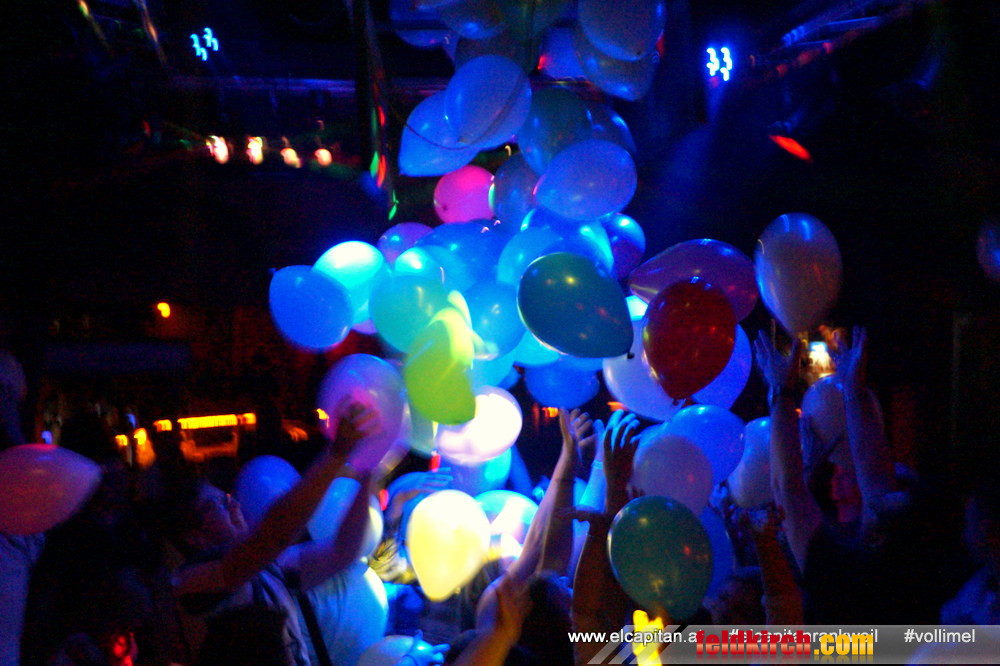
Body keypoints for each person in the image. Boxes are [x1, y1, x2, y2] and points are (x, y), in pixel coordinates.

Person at [165, 403, 377, 665]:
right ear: (193, 536)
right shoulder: (189, 582)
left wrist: (367, 471)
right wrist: (336, 453)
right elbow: (271, 537)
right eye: (218, 504)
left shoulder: (271, 567)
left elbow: (345, 550)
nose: (234, 505)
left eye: (228, 497)